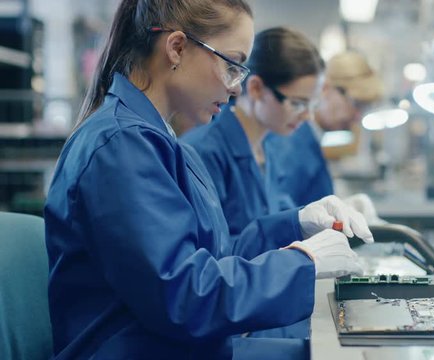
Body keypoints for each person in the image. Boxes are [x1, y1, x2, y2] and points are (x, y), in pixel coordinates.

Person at [44, 1, 372, 359]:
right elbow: (184, 296)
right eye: (231, 66)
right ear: (177, 48)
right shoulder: (120, 146)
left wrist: (296, 226)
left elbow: (215, 258)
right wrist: (302, 263)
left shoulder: (159, 141)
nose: (235, 89)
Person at [181, 26, 323, 241]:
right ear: (256, 88)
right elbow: (211, 251)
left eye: (312, 106)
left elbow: (274, 219)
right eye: (297, 104)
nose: (308, 117)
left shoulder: (269, 147)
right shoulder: (203, 152)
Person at [264, 51, 385, 219]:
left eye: (364, 108)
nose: (358, 116)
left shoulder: (309, 140)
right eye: (355, 103)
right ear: (325, 89)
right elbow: (280, 219)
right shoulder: (291, 143)